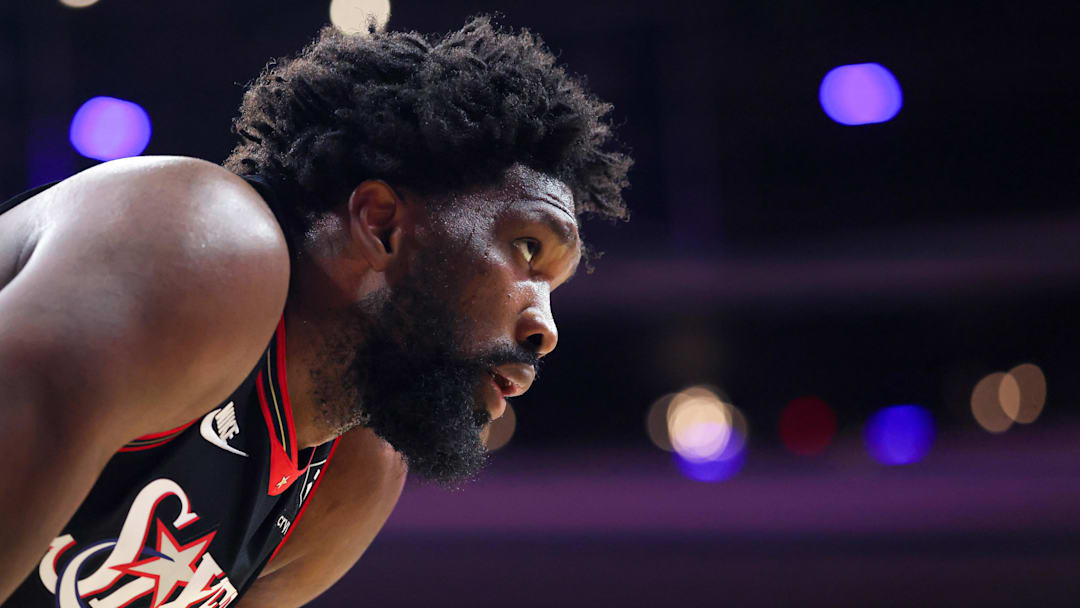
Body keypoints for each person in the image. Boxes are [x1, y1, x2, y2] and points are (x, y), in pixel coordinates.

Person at [0, 15, 630, 607]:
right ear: (382, 225)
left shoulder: (352, 475)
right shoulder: (207, 245)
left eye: (555, 287)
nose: (544, 329)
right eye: (528, 250)